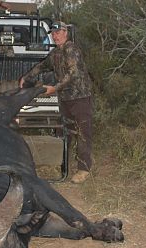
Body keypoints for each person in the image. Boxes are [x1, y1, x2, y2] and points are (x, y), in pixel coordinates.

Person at [20, 21, 93, 184]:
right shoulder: (55, 53)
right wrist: (26, 77)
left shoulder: (71, 49)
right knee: (65, 132)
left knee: (83, 133)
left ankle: (84, 168)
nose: (55, 35)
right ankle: (63, 163)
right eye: (53, 33)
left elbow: (72, 74)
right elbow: (42, 66)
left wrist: (55, 88)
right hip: (65, 98)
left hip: (79, 97)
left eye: (58, 32)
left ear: (66, 33)